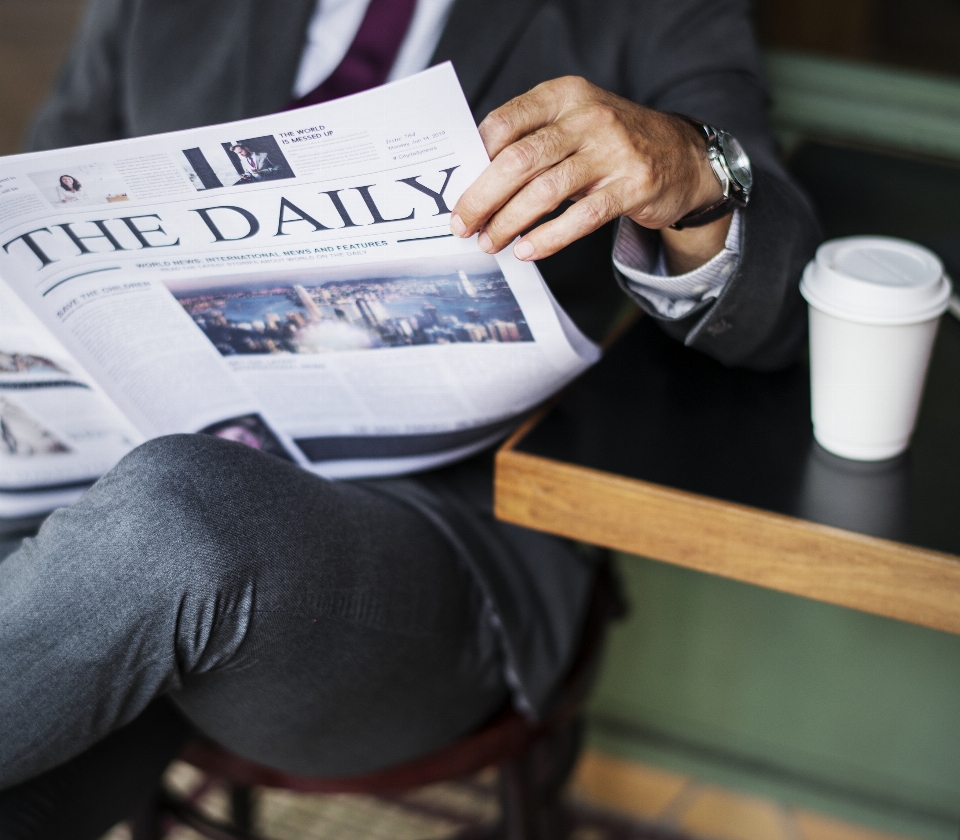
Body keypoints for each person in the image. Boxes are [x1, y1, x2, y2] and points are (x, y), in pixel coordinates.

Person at [1, 0, 821, 836]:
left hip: (429, 549)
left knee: (167, 525)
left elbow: (782, 312)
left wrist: (692, 171)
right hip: (101, 520)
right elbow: (36, 215)